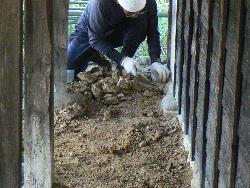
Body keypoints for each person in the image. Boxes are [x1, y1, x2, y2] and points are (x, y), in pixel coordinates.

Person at [67, 0, 168, 83]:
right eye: (130, 12)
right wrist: (123, 60)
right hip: (90, 31)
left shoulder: (149, 3)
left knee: (139, 27)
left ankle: (120, 71)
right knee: (68, 68)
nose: (134, 15)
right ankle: (94, 53)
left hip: (123, 31)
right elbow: (95, 39)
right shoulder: (100, 4)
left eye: (138, 12)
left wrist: (155, 61)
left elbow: (153, 33)